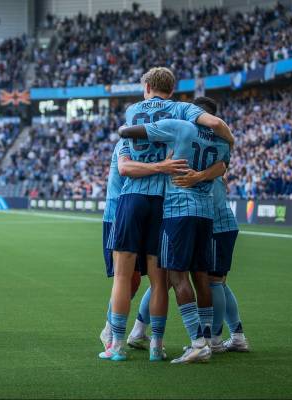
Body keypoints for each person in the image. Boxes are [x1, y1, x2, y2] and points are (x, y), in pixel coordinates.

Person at [102, 67, 234, 363]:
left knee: (123, 276)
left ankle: (116, 343)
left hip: (137, 196)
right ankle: (157, 346)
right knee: (161, 281)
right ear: (172, 90)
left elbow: (126, 144)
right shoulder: (182, 113)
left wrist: (127, 132)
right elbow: (214, 130)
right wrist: (230, 142)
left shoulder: (135, 111)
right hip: (168, 202)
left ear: (147, 86)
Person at [173, 97, 249, 353]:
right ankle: (236, 335)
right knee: (219, 283)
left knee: (214, 282)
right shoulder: (218, 147)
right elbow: (223, 167)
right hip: (219, 223)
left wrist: (197, 177)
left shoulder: (201, 148)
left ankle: (214, 338)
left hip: (217, 224)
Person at [100, 139, 188, 352]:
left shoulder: (163, 141)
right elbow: (126, 168)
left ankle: (137, 331)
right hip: (118, 213)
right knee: (129, 277)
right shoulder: (128, 141)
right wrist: (161, 166)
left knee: (151, 278)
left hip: (149, 212)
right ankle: (110, 331)